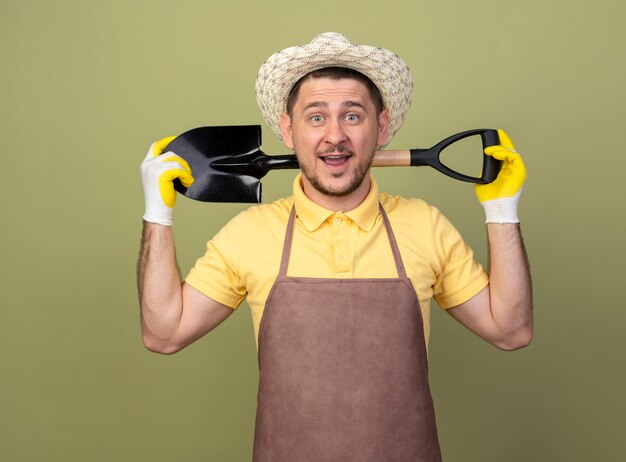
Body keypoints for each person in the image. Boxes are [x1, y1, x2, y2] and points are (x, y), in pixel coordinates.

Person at [137, 32, 532, 462]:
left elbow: (510, 330)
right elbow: (164, 333)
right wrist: (158, 215)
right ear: (288, 130)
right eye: (316, 117)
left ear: (380, 127)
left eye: (353, 116)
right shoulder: (250, 232)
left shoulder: (424, 224)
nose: (335, 137)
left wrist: (501, 212)